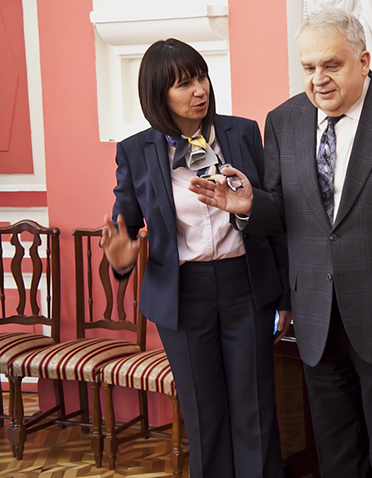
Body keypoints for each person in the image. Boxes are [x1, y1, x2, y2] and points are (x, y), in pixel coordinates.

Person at [189, 8, 372, 478]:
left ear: (363, 61)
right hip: (318, 316)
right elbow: (284, 209)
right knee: (338, 460)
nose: (318, 79)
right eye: (308, 67)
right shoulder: (284, 120)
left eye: (331, 65)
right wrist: (249, 207)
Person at [100, 39, 289, 478]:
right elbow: (124, 227)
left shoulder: (243, 132)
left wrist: (284, 295)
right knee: (204, 414)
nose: (199, 90)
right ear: (158, 94)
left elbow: (274, 214)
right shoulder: (135, 151)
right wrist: (121, 259)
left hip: (247, 284)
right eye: (184, 83)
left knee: (255, 407)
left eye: (201, 77)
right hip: (183, 296)